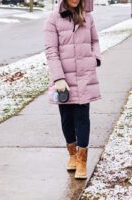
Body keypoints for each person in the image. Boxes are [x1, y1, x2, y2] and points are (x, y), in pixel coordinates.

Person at [43, 0, 101, 179]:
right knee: (67, 119)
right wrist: (59, 78)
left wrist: (95, 58)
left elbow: (95, 41)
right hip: (64, 80)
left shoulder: (87, 16)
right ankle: (73, 156)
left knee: (83, 118)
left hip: (85, 76)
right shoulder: (53, 19)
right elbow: (51, 50)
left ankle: (82, 161)